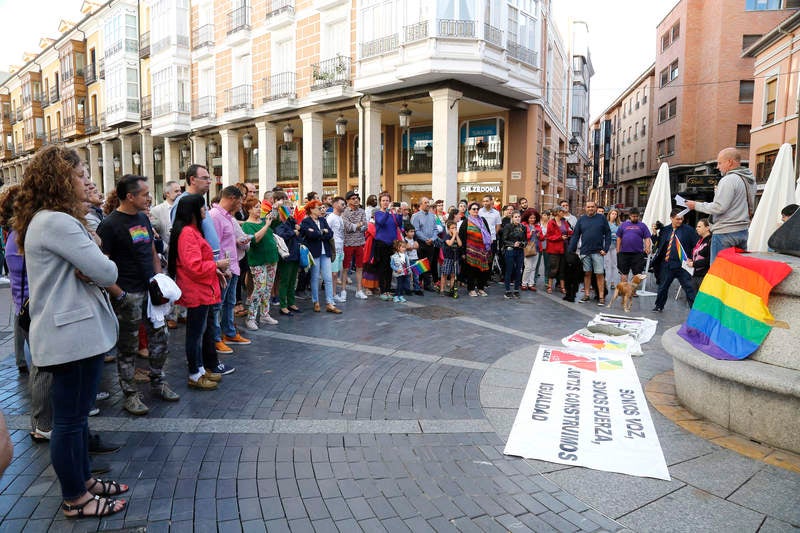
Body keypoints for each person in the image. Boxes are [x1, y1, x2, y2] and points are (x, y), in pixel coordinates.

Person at [14, 145, 126, 518]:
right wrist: (96, 257)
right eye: (79, 174)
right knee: (69, 421)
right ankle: (76, 498)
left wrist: (93, 253)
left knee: (76, 419)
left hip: (70, 334)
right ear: (62, 179)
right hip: (71, 336)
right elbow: (108, 272)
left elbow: (95, 262)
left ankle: (83, 481)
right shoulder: (57, 222)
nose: (85, 180)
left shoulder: (49, 220)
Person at [97, 175, 180, 416]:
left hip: (150, 292)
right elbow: (102, 265)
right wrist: (120, 294)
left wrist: (158, 280)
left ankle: (158, 382)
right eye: (144, 194)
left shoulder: (143, 217)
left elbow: (152, 250)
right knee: (128, 346)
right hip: (128, 294)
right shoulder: (110, 225)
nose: (149, 197)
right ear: (130, 196)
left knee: (160, 339)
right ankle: (130, 394)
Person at [168, 194, 229, 390]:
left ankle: (200, 370)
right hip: (197, 290)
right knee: (195, 334)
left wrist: (215, 268)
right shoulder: (187, 233)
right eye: (202, 208)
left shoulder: (192, 231)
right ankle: (195, 373)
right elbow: (193, 266)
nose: (205, 211)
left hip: (202, 289)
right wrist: (216, 264)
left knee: (199, 332)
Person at [685, 147, 755, 264]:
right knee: (737, 271)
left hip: (725, 233)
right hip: (742, 231)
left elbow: (719, 207)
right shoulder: (749, 180)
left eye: (720, 163)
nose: (718, 167)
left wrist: (696, 205)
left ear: (730, 162)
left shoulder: (728, 180)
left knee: (719, 273)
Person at [209, 186, 252, 350]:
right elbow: (215, 245)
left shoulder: (227, 217)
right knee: (218, 305)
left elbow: (227, 240)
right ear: (233, 198)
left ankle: (229, 332)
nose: (242, 203)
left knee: (230, 302)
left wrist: (239, 242)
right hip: (224, 269)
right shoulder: (215, 216)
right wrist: (221, 268)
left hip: (233, 266)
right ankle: (215, 337)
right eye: (241, 199)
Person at [241, 196, 280, 329]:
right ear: (249, 210)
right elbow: (255, 239)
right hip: (257, 261)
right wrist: (267, 225)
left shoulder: (263, 221)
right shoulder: (247, 225)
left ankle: (265, 315)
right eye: (256, 207)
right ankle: (251, 317)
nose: (259, 209)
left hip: (272, 259)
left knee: (268, 288)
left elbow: (275, 220)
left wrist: (275, 208)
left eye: (260, 206)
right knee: (259, 288)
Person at [300, 199, 343, 314]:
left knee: (328, 278)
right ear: (311, 210)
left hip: (326, 252)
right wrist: (321, 233)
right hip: (314, 253)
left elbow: (330, 233)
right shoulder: (306, 222)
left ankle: (330, 303)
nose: (321, 210)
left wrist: (320, 233)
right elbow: (310, 235)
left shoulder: (323, 220)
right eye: (318, 208)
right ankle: (316, 301)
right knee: (314, 278)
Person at [653, 208, 698, 312]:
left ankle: (695, 309)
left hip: (683, 264)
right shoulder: (665, 230)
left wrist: (692, 258)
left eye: (681, 219)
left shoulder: (689, 230)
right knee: (663, 287)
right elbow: (659, 244)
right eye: (677, 219)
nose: (680, 221)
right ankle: (659, 306)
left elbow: (695, 245)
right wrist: (654, 234)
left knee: (689, 287)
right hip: (667, 263)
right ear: (671, 218)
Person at [568, 200, 612, 306]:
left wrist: (605, 249)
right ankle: (586, 295)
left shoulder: (602, 218)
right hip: (585, 252)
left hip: (598, 252)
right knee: (587, 274)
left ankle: (601, 297)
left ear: (596, 207)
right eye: (588, 207)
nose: (590, 208)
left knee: (599, 274)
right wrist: (571, 250)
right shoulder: (581, 219)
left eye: (592, 207)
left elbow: (608, 234)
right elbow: (575, 235)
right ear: (585, 208)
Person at [275, 201, 303, 316]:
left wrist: (298, 229)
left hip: (295, 254)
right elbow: (280, 236)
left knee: (292, 281)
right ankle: (283, 305)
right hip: (287, 256)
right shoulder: (280, 224)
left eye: (292, 207)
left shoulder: (293, 222)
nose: (291, 210)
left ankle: (291, 302)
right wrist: (293, 232)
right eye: (289, 208)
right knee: (285, 281)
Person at [373, 192, 403, 300]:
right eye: (383, 200)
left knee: (390, 268)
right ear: (380, 202)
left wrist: (399, 213)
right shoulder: (378, 213)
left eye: (387, 200)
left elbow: (399, 224)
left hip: (392, 244)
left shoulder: (392, 214)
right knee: (382, 268)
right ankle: (383, 290)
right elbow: (381, 222)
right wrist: (387, 211)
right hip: (381, 244)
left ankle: (388, 289)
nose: (385, 202)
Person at [459, 202, 492, 297]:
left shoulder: (483, 220)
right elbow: (462, 237)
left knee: (483, 271)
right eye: (473, 209)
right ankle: (471, 289)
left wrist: (488, 247)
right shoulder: (466, 222)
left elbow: (488, 233)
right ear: (469, 211)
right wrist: (463, 252)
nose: (476, 210)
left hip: (483, 251)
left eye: (477, 209)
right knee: (471, 271)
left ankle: (481, 288)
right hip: (471, 251)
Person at [341, 191, 369, 299]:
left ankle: (359, 290)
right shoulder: (344, 212)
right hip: (347, 243)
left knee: (360, 267)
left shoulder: (362, 211)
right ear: (347, 201)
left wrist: (356, 226)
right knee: (345, 268)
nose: (356, 200)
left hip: (360, 242)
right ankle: (343, 290)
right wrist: (358, 225)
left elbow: (365, 226)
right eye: (353, 198)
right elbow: (348, 228)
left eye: (357, 198)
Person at [616, 207, 652, 283]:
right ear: (630, 216)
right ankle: (624, 291)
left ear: (639, 216)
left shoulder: (643, 225)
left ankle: (633, 291)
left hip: (638, 253)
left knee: (637, 274)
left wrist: (647, 247)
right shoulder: (623, 225)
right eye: (633, 216)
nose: (635, 218)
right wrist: (618, 250)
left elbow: (647, 238)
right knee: (623, 273)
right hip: (624, 253)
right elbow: (619, 238)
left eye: (636, 216)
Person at [411, 197, 439, 291]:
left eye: (428, 202)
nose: (427, 204)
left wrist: (433, 239)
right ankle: (417, 284)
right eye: (425, 202)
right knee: (419, 264)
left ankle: (427, 284)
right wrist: (426, 239)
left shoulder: (432, 216)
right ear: (420, 204)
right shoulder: (416, 216)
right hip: (420, 243)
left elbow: (436, 229)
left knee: (428, 264)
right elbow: (416, 230)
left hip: (431, 243)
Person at [501, 210, 526, 299]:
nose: (517, 218)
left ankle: (516, 290)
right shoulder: (508, 226)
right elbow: (504, 240)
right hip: (510, 250)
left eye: (519, 217)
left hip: (520, 251)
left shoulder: (523, 227)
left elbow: (525, 240)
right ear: (512, 218)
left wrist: (521, 244)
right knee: (509, 270)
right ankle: (507, 290)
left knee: (518, 270)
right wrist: (512, 244)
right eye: (515, 217)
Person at [546, 207, 572, 294]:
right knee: (553, 268)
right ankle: (549, 286)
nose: (563, 212)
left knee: (562, 268)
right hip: (554, 248)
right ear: (557, 212)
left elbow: (569, 230)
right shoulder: (551, 223)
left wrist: (569, 234)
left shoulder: (564, 221)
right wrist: (559, 237)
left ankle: (562, 286)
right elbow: (549, 236)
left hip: (564, 247)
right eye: (561, 211)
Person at [687, 218, 712, 292]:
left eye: (699, 227)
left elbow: (709, 259)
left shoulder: (711, 240)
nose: (696, 228)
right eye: (697, 226)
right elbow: (695, 252)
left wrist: (694, 264)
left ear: (707, 228)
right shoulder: (700, 240)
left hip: (704, 276)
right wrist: (690, 259)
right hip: (695, 274)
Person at [438, 220, 461, 297]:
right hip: (448, 258)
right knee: (444, 274)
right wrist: (454, 235)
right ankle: (442, 290)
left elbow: (460, 244)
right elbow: (450, 243)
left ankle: (452, 289)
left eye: (455, 227)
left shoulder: (456, 235)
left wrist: (456, 235)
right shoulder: (446, 236)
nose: (454, 229)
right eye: (452, 228)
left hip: (455, 258)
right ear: (448, 229)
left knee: (453, 275)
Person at [520, 210, 539, 291]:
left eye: (534, 218)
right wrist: (530, 233)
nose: (532, 219)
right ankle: (524, 283)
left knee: (533, 267)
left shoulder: (537, 226)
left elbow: (542, 238)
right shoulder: (524, 225)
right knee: (527, 267)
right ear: (527, 218)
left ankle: (531, 283)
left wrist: (539, 235)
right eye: (531, 218)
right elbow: (523, 237)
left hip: (536, 248)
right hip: (527, 248)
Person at [605, 208, 621, 289]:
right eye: (612, 214)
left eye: (615, 214)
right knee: (607, 264)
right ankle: (607, 281)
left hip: (615, 246)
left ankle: (613, 282)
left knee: (614, 265)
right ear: (609, 214)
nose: (614, 215)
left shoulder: (619, 225)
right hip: (607, 246)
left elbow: (620, 236)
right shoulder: (605, 224)